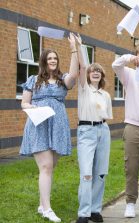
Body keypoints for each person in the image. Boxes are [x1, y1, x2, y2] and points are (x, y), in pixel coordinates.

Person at [20, 33, 79, 222]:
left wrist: (74, 48)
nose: (52, 60)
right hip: (39, 124)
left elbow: (75, 74)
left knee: (50, 166)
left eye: (55, 58)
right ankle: (47, 209)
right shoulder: (33, 79)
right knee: (45, 166)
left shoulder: (64, 80)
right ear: (44, 61)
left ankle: (41, 204)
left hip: (58, 125)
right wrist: (33, 107)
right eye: (49, 58)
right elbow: (24, 103)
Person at [112, 44, 139, 219]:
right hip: (133, 127)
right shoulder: (129, 74)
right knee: (131, 168)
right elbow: (116, 65)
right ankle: (130, 202)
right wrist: (130, 58)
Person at [74, 33, 113, 223]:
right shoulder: (83, 89)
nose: (95, 73)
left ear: (102, 76)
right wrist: (80, 47)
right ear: (89, 75)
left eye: (99, 71)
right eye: (93, 71)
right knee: (87, 174)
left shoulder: (105, 94)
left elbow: (106, 116)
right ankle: (84, 212)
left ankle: (95, 210)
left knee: (100, 172)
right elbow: (81, 67)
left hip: (103, 132)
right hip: (86, 132)